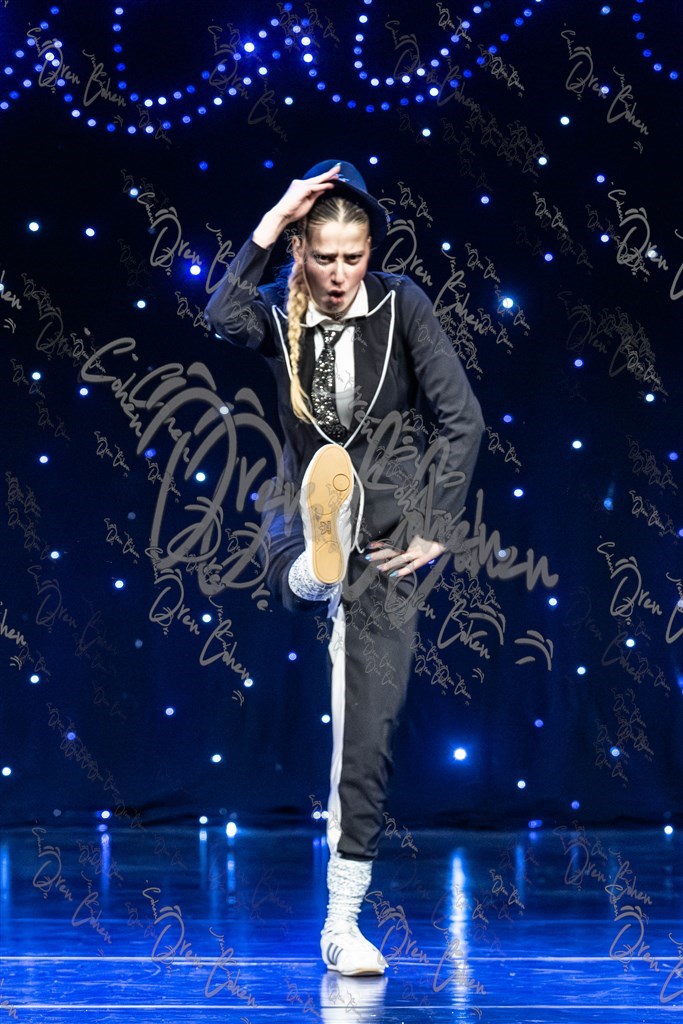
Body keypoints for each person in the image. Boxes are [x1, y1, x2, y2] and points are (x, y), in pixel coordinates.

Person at [204, 159, 484, 976]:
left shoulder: (402, 305)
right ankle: (312, 573)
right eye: (321, 256)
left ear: (370, 253)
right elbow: (220, 315)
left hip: (386, 531)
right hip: (302, 504)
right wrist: (273, 218)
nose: (336, 274)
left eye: (351, 258)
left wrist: (434, 526)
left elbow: (461, 419)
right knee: (297, 561)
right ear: (300, 252)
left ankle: (342, 924)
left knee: (368, 733)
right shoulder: (276, 306)